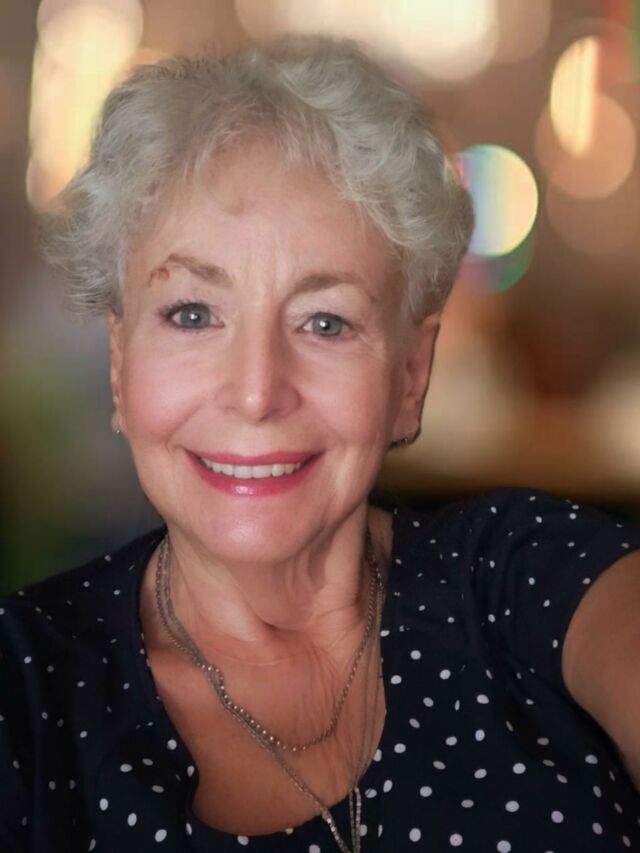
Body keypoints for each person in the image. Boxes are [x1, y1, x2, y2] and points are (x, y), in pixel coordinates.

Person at [1, 36, 640, 853]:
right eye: (192, 314)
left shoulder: (525, 576)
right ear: (121, 365)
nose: (257, 390)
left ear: (411, 374)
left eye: (326, 322)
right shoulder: (25, 687)